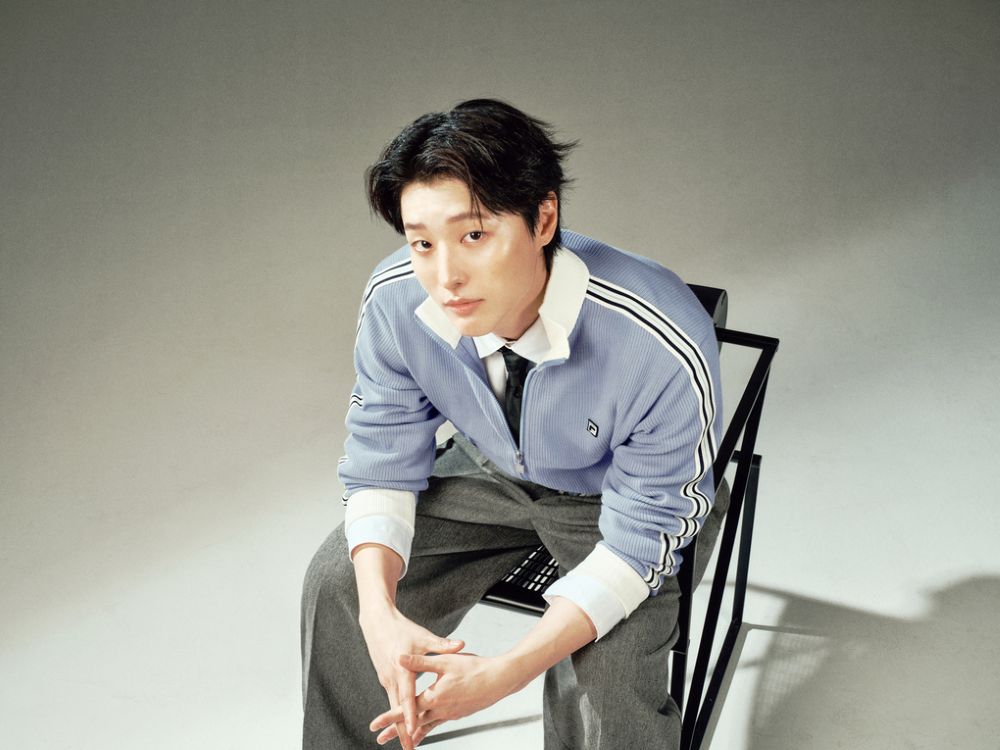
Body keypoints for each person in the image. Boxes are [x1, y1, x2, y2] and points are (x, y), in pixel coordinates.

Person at [301, 98, 725, 749]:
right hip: (486, 467)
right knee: (339, 584)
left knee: (611, 674)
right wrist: (379, 616)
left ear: (542, 218)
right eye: (422, 242)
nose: (445, 276)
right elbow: (382, 453)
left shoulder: (657, 343)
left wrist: (505, 674)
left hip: (616, 496)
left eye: (474, 236)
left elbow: (642, 539)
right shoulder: (395, 298)